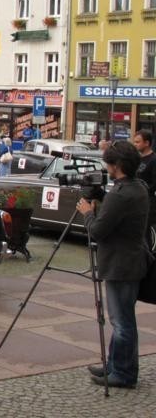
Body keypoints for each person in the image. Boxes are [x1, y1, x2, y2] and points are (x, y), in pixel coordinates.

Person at [77, 140, 150, 389]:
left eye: (108, 162)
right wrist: (102, 197)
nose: (106, 166)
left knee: (121, 322)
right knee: (123, 319)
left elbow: (97, 231)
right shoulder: (137, 186)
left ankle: (123, 373)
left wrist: (87, 211)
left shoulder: (121, 194)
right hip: (132, 261)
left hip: (120, 265)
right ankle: (114, 365)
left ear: (117, 165)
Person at [133, 130, 156, 232]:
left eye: (138, 142)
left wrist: (141, 191)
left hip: (146, 202)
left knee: (144, 233)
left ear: (146, 143)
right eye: (134, 142)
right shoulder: (136, 159)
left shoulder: (153, 160)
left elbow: (154, 184)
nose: (135, 144)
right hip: (134, 200)